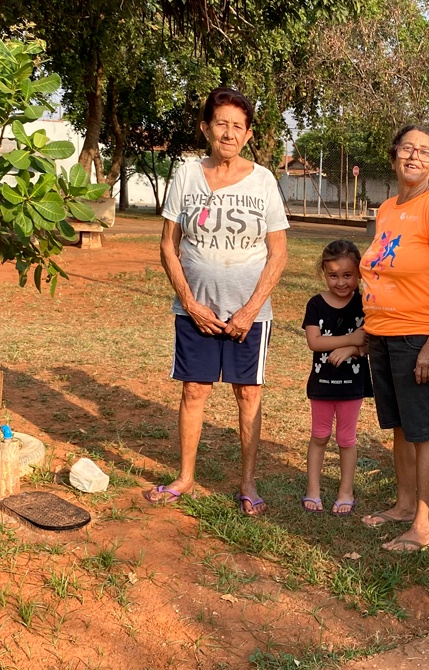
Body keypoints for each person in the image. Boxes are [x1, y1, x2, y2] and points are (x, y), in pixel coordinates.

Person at [147, 87, 289, 516]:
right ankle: (186, 477)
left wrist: (249, 310)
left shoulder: (263, 180)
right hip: (196, 310)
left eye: (238, 127)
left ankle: (248, 483)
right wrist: (190, 303)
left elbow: (279, 251)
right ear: (206, 128)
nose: (229, 133)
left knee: (248, 394)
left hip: (250, 314)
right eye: (221, 123)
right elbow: (168, 246)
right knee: (194, 390)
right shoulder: (186, 174)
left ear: (248, 135)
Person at [359, 124, 429, 552]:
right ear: (393, 156)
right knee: (401, 427)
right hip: (383, 335)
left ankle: (423, 525)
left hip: (417, 336)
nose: (415, 157)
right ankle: (404, 506)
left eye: (425, 151)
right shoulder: (387, 208)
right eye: (407, 148)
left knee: (422, 430)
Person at [302, 240, 373, 516]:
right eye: (333, 275)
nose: (341, 282)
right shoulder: (316, 304)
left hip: (352, 387)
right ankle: (313, 489)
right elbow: (313, 342)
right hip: (321, 385)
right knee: (319, 436)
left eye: (348, 275)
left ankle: (346, 491)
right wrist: (350, 339)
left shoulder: (365, 304)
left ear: (359, 274)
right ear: (324, 273)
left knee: (347, 439)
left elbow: (369, 342)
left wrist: (352, 348)